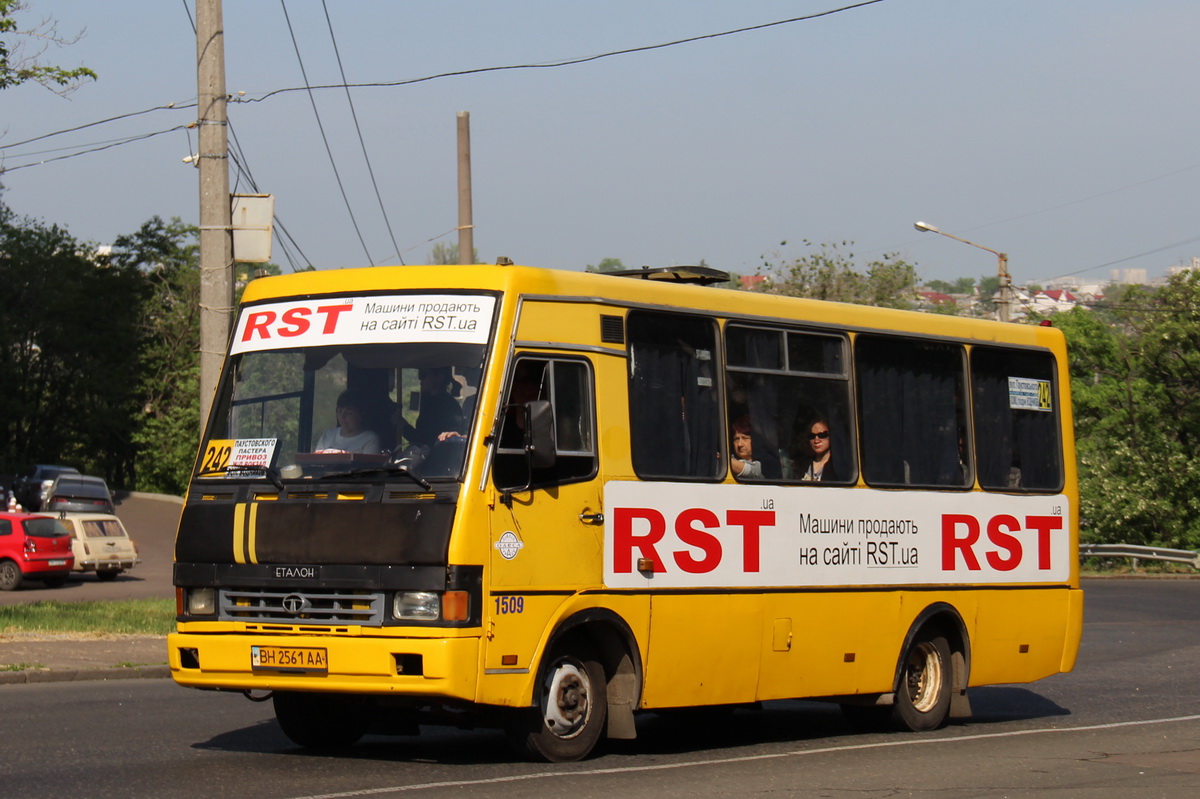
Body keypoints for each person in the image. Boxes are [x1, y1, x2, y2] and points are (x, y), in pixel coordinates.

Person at [401, 367, 465, 447]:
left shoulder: (446, 406)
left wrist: (402, 425)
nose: (421, 381)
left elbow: (425, 440)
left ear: (439, 378)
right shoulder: (431, 402)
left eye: (423, 375)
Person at [315, 390, 382, 454]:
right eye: (340, 411)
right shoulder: (327, 435)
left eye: (349, 412)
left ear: (361, 414)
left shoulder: (370, 439)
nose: (343, 416)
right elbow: (317, 461)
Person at [796, 416, 838, 482]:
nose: (816, 440)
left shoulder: (838, 466)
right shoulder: (801, 464)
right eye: (812, 436)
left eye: (822, 435)